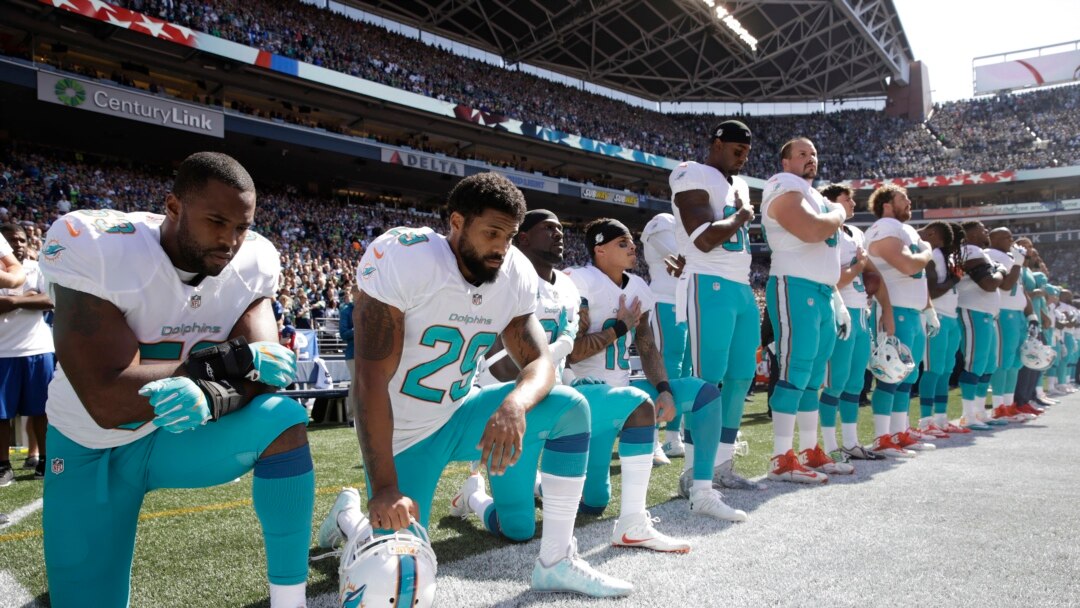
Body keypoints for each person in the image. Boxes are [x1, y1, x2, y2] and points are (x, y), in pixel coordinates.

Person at [323, 174, 632, 598]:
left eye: (508, 236)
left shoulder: (515, 273)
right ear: (456, 222)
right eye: (491, 233)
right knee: (398, 572)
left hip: (461, 411)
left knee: (570, 407)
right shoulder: (406, 258)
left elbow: (539, 362)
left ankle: (558, 560)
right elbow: (370, 379)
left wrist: (516, 405)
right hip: (403, 434)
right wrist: (387, 486)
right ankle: (349, 516)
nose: (501, 248)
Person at [39, 152, 311, 608]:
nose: (230, 241)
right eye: (216, 222)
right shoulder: (100, 247)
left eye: (241, 228)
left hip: (180, 436)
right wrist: (221, 365)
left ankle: (290, 601)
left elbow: (267, 376)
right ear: (173, 207)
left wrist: (214, 395)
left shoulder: (254, 261)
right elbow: (108, 398)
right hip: (93, 445)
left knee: (283, 417)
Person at [565, 217, 745, 524]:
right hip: (588, 398)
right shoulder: (577, 281)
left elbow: (647, 347)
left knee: (704, 393)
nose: (632, 248)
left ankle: (701, 491)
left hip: (625, 391)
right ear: (599, 250)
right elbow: (572, 351)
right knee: (596, 503)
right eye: (622, 243)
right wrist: (620, 327)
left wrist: (663, 390)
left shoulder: (637, 286)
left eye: (632, 242)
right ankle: (546, 486)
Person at [669, 120, 762, 491]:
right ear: (718, 143)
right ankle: (694, 469)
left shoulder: (738, 184)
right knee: (707, 380)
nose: (742, 159)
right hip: (708, 282)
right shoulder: (690, 173)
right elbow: (703, 238)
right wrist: (741, 216)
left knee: (741, 377)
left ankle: (722, 465)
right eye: (737, 150)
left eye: (747, 153)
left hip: (740, 287)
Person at [760, 140, 852, 483]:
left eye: (814, 153)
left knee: (813, 377)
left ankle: (809, 450)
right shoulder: (783, 184)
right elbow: (812, 230)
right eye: (802, 154)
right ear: (785, 161)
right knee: (795, 369)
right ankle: (782, 458)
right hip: (794, 284)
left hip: (823, 291)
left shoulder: (815, 196)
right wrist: (840, 212)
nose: (811, 158)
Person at [863, 185, 937, 456]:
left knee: (906, 377)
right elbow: (909, 266)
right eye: (902, 198)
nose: (908, 201)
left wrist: (928, 308)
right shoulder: (885, 228)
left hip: (912, 311)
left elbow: (919, 278)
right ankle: (883, 437)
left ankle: (898, 431)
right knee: (890, 375)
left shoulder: (905, 230)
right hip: (895, 310)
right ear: (886, 204)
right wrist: (927, 251)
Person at [817, 185, 888, 461]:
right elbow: (834, 277)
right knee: (835, 383)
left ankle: (850, 442)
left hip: (862, 313)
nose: (853, 203)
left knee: (855, 384)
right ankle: (829, 445)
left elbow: (870, 272)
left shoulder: (856, 233)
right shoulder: (828, 230)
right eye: (847, 199)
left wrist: (867, 274)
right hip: (841, 311)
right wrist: (859, 267)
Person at [0, 223, 54, 486]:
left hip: (37, 348)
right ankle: (3, 466)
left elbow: (51, 300)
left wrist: (12, 302)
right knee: (1, 415)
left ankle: (45, 459)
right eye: (11, 241)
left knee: (42, 410)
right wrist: (29, 299)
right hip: (2, 351)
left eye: (21, 240)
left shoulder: (39, 268)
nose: (18, 245)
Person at [640, 212, 690, 461]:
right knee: (663, 369)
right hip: (663, 300)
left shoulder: (685, 226)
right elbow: (678, 257)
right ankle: (651, 438)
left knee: (683, 372)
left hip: (684, 302)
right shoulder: (663, 220)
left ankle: (673, 437)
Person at [954, 221, 1012, 429]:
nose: (986, 230)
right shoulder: (969, 250)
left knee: (988, 365)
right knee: (974, 363)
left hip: (986, 314)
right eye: (981, 228)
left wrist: (998, 271)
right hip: (972, 310)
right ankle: (967, 415)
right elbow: (988, 284)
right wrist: (1002, 271)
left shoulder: (977, 251)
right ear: (969, 233)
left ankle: (979, 412)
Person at [917, 222, 971, 435]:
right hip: (936, 315)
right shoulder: (933, 254)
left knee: (945, 370)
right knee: (932, 369)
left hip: (950, 316)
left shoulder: (946, 257)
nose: (958, 244)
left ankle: (940, 418)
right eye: (956, 239)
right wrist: (954, 280)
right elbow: (931, 291)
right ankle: (925, 420)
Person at [985, 228, 1033, 420]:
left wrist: (1032, 316)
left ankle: (1009, 403)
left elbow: (1020, 289)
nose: (1011, 240)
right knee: (1003, 361)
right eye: (1006, 237)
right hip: (1004, 312)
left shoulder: (1010, 256)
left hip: (1018, 313)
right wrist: (1017, 264)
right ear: (993, 239)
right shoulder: (990, 255)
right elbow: (1006, 285)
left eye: (1011, 237)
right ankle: (998, 406)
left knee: (1015, 363)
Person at [338, 286, 358, 424]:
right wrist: (358, 329)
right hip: (353, 353)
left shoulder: (370, 308)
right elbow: (343, 333)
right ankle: (352, 417)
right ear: (354, 293)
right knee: (356, 383)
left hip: (371, 354)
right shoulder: (346, 310)